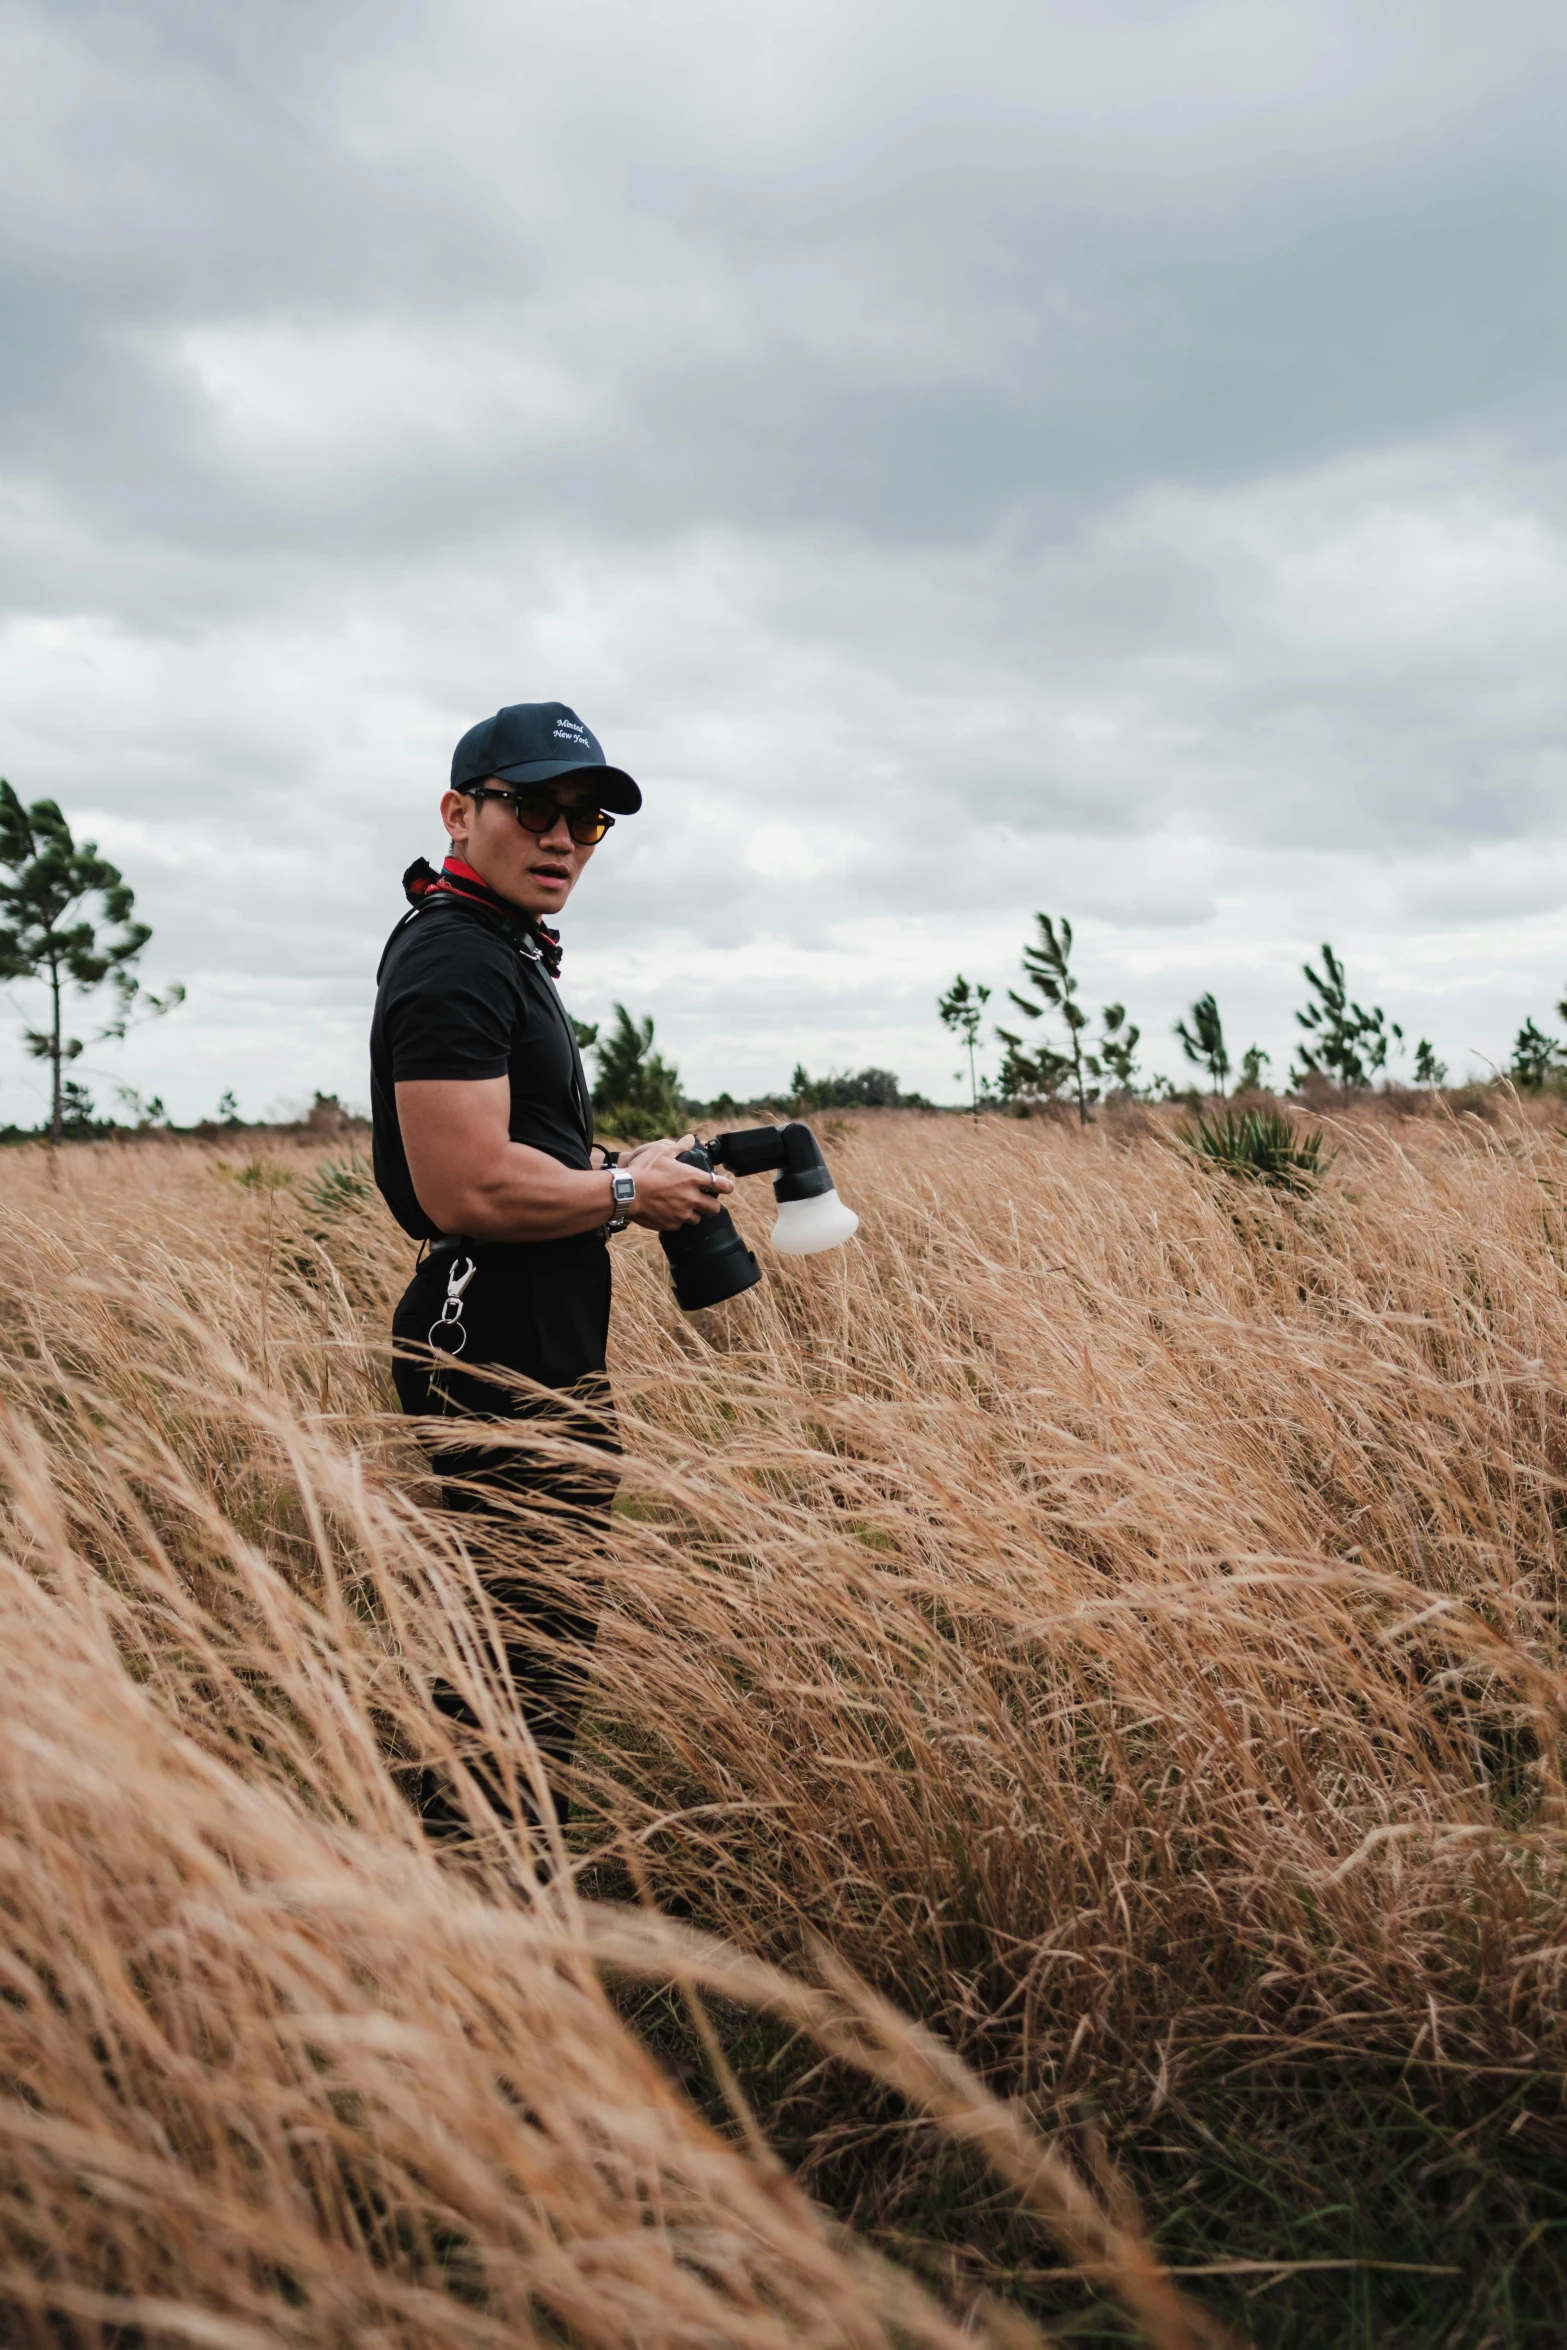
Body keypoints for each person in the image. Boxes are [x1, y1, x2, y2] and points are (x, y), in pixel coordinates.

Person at [369, 700, 733, 1837]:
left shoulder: (497, 948)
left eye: (585, 818)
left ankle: (453, 1865)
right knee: (525, 1642)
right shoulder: (453, 959)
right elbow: (464, 1188)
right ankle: (498, 1896)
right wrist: (627, 1195)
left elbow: (523, 1149)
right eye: (533, 807)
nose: (563, 836)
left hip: (531, 1318)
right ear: (458, 813)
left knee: (512, 1631)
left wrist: (627, 1168)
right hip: (493, 1332)